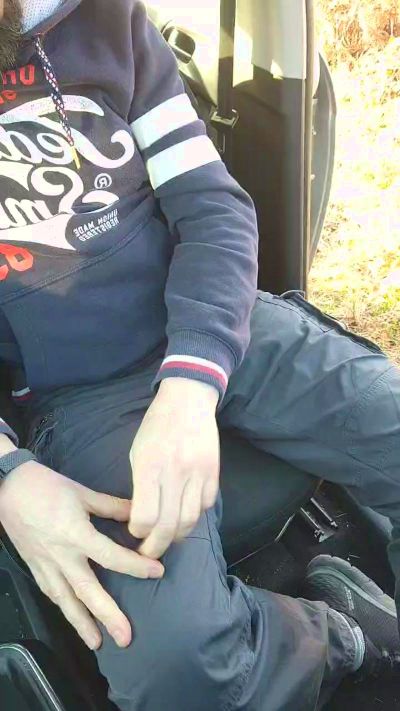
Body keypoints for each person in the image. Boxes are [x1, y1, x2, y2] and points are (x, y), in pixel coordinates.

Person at [0, 1, 398, 709]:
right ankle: (343, 631)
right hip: (82, 398)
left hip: (214, 324)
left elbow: (212, 208)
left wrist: (188, 386)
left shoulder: (111, 24)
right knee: (177, 673)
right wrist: (9, 475)